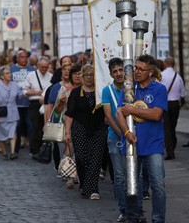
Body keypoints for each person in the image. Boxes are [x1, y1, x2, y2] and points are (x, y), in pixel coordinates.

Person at [116, 54, 167, 223]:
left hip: (153, 145)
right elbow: (119, 113)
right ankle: (133, 216)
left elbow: (156, 114)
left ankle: (158, 219)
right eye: (135, 68)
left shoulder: (159, 89)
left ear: (151, 72)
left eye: (141, 69)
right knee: (131, 185)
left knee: (158, 185)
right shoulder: (129, 88)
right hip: (132, 144)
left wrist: (133, 110)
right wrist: (126, 133)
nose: (136, 72)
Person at [65, 64, 107, 199]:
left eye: (91, 74)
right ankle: (84, 184)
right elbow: (70, 114)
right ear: (82, 77)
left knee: (95, 159)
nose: (89, 77)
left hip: (98, 128)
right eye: (86, 75)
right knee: (82, 158)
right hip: (79, 128)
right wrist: (67, 132)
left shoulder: (101, 92)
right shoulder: (76, 93)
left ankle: (93, 189)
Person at [101, 57, 126, 221]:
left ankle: (135, 209)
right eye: (115, 71)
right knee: (119, 176)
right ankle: (124, 210)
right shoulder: (107, 91)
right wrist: (122, 134)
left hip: (134, 138)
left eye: (121, 70)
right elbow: (108, 117)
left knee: (135, 175)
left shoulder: (132, 87)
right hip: (115, 137)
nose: (119, 74)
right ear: (111, 74)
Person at [24, 56, 52, 159]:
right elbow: (25, 91)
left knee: (44, 127)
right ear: (38, 66)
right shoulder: (31, 75)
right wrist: (37, 92)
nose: (44, 69)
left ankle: (43, 149)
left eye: (46, 67)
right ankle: (34, 150)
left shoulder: (50, 76)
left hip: (46, 103)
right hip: (34, 103)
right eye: (42, 67)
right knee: (35, 126)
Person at [0, 66, 21, 160]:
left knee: (13, 132)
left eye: (10, 73)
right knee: (1, 133)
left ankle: (12, 152)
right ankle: (4, 152)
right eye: (7, 73)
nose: (10, 75)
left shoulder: (14, 85)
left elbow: (20, 94)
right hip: (1, 113)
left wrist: (27, 93)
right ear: (2, 76)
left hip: (13, 112)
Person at [10, 49, 35, 158]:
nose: (24, 59)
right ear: (17, 58)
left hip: (29, 102)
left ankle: (34, 150)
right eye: (22, 57)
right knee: (18, 127)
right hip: (16, 104)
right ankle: (15, 150)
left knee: (31, 126)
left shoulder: (32, 70)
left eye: (26, 57)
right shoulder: (12, 69)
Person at [161, 57, 186, 159]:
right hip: (175, 104)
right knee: (173, 127)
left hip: (165, 103)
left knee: (166, 128)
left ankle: (170, 151)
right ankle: (173, 146)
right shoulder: (178, 77)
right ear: (174, 65)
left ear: (165, 64)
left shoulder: (162, 76)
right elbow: (183, 94)